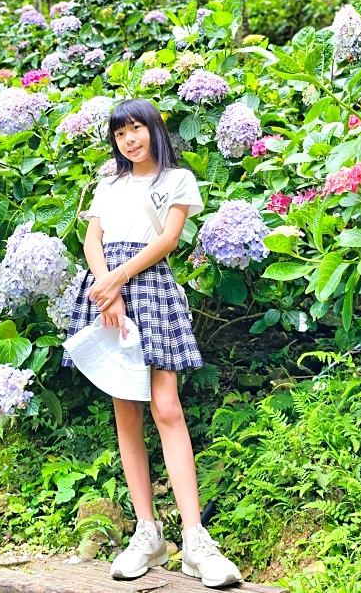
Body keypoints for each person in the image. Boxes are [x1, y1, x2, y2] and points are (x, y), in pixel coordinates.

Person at [62, 98, 242, 587]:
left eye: (136, 129)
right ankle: (148, 533)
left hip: (150, 286)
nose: (129, 140)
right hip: (107, 290)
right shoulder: (109, 181)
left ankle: (196, 540)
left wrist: (118, 279)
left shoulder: (177, 180)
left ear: (154, 130)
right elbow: (91, 240)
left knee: (167, 407)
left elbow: (168, 239)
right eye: (120, 134)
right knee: (127, 411)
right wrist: (106, 293)